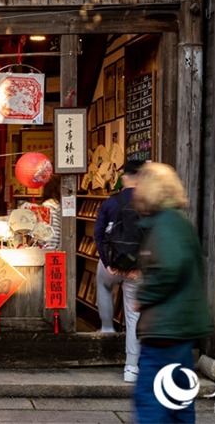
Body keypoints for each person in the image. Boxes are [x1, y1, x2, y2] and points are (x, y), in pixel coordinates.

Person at [131, 163, 213, 424]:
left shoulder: (165, 225)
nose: (135, 190)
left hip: (165, 327)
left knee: (151, 397)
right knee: (178, 398)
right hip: (180, 327)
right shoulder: (178, 221)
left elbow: (170, 266)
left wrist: (144, 296)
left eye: (140, 184)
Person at [94, 159, 145, 383]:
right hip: (136, 269)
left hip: (111, 265)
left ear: (125, 178)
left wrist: (108, 263)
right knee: (134, 316)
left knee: (103, 285)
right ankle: (131, 367)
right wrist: (140, 267)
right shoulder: (148, 203)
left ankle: (107, 328)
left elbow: (98, 234)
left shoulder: (110, 203)